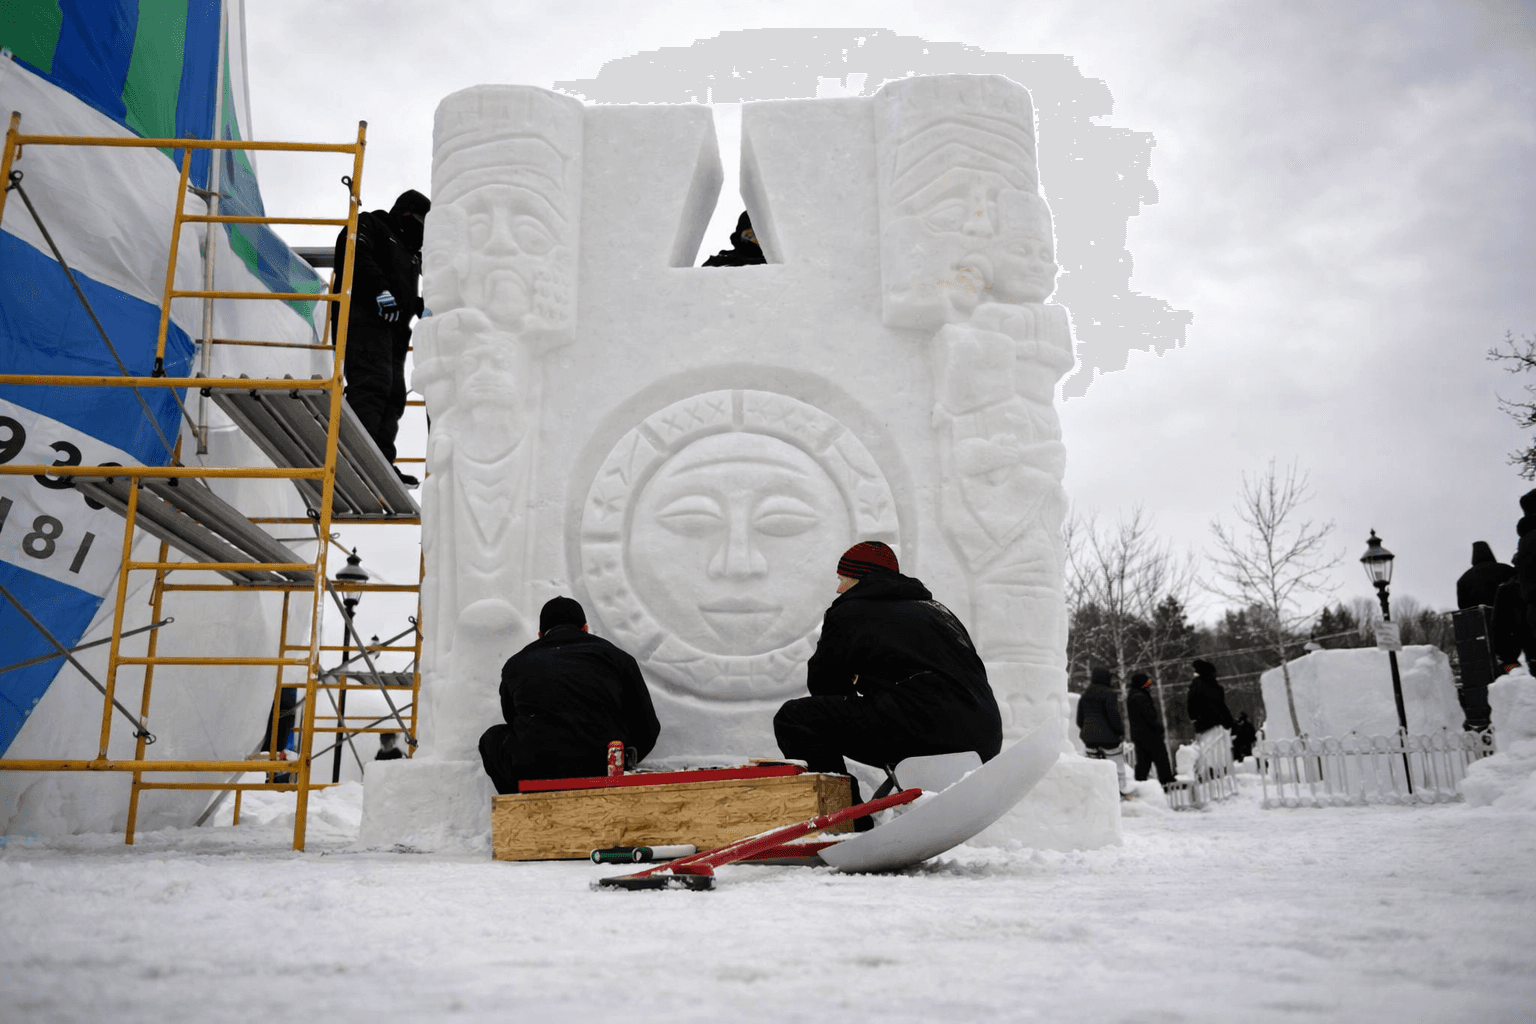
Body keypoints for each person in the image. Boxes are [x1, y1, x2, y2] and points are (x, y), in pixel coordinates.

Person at [772, 541, 1003, 817]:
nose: (838, 588)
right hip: (984, 736)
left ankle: (841, 818)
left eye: (842, 579)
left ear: (860, 578)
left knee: (795, 719)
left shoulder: (850, 611)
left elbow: (825, 686)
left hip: (923, 729)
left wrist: (858, 682)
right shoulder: (937, 611)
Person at [478, 596, 660, 795]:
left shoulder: (516, 664)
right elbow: (647, 726)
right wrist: (626, 756)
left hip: (537, 768)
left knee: (492, 739)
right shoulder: (618, 657)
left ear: (540, 634)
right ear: (585, 628)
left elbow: (512, 719)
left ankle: (524, 806)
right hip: (603, 766)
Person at [332, 189, 431, 485]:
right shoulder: (373, 225)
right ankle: (353, 457)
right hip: (365, 322)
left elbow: (404, 293)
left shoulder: (410, 253)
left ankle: (379, 462)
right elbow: (353, 252)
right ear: (407, 216)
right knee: (371, 387)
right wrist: (378, 290)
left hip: (394, 332)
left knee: (393, 395)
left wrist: (422, 308)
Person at [1077, 667, 1130, 792]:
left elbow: (1080, 719)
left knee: (1094, 767)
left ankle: (1096, 792)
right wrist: (1120, 732)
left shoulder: (1085, 695)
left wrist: (1087, 732)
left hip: (1089, 739)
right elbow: (1113, 715)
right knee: (1116, 766)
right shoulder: (1109, 693)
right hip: (1109, 739)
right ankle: (1120, 791)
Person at [1126, 671, 1174, 785]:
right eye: (1147, 683)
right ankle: (1167, 782)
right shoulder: (1141, 697)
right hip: (1150, 735)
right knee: (1161, 759)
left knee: (1143, 762)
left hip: (1139, 736)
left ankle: (1139, 784)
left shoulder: (1133, 695)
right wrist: (1159, 728)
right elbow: (1150, 717)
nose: (1149, 685)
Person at [1457, 541, 1515, 610]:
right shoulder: (1506, 569)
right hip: (1507, 613)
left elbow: (1463, 607)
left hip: (1478, 618)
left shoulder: (1463, 580)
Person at [1187, 658, 1236, 734]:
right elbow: (1221, 706)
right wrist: (1230, 723)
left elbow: (1191, 707)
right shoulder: (1215, 687)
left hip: (1203, 725)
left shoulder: (1195, 686)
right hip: (1219, 723)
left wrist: (1195, 720)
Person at [701, 211, 766, 267]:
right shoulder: (720, 261)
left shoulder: (773, 260)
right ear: (740, 234)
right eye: (749, 234)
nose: (754, 238)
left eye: (757, 234)